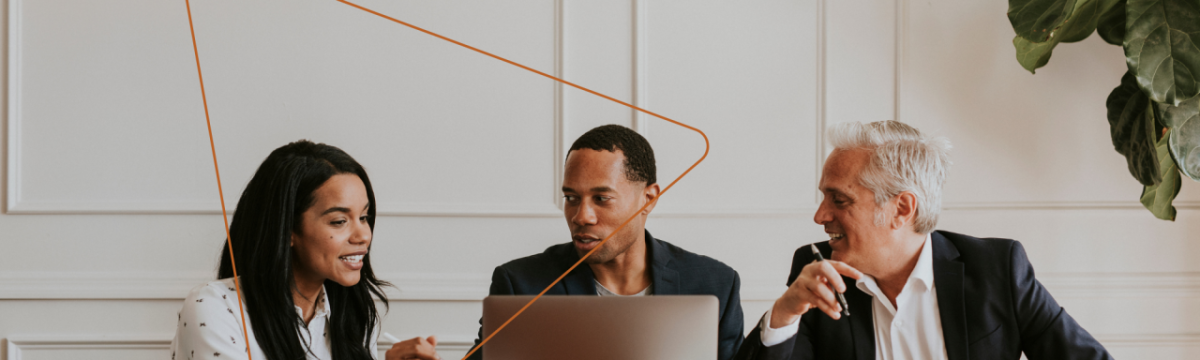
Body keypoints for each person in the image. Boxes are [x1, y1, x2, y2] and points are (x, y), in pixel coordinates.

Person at [734, 121, 1113, 360]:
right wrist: (784, 314)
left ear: (902, 209)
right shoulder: (817, 273)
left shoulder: (996, 268)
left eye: (840, 199)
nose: (820, 216)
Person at [467, 124, 745, 360]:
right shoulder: (519, 284)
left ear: (648, 199)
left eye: (601, 199)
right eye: (571, 198)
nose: (581, 216)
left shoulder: (716, 283)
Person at [171, 140, 440, 360]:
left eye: (364, 217)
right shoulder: (214, 307)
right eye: (339, 221)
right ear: (287, 229)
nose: (363, 235)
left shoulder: (353, 316)